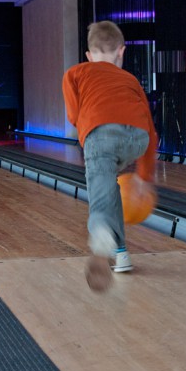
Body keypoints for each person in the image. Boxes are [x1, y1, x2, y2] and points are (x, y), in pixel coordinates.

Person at [62, 20, 157, 293]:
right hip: (138, 138)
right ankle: (122, 254)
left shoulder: (75, 73)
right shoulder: (131, 79)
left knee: (101, 194)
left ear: (89, 56)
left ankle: (102, 236)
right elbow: (151, 129)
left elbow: (73, 115)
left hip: (101, 134)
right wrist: (143, 176)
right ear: (121, 52)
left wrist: (89, 137)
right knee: (112, 189)